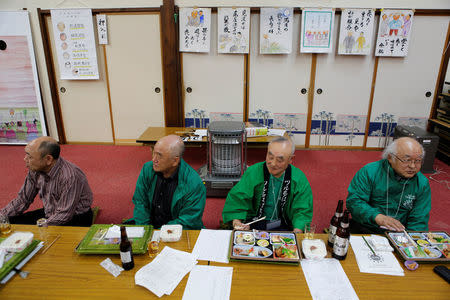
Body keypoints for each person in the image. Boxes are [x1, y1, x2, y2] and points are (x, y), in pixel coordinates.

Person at [222, 137, 313, 232]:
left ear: (291, 159)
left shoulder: (298, 178)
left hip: (284, 224)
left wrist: (296, 233)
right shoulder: (253, 172)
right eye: (270, 157)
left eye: (280, 160)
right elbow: (238, 199)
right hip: (253, 223)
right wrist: (237, 222)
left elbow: (303, 210)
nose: (273, 164)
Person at [0, 136, 93, 226]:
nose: (25, 159)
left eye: (30, 157)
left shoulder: (70, 176)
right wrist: (2, 216)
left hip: (74, 217)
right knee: (8, 222)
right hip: (51, 212)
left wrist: (40, 228)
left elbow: (64, 214)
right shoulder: (35, 169)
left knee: (39, 237)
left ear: (48, 159)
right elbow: (23, 199)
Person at [346, 137, 431, 234]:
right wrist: (377, 217)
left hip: (400, 234)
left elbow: (419, 219)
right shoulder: (370, 172)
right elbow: (354, 202)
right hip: (367, 227)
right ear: (390, 158)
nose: (412, 166)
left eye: (418, 161)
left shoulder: (422, 183)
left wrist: (411, 239)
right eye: (407, 160)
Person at [131, 135, 206, 229]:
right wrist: (146, 230)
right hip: (150, 227)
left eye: (159, 155)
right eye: (153, 153)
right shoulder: (147, 169)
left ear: (175, 160)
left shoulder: (194, 183)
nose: (154, 159)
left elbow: (187, 220)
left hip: (177, 232)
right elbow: (140, 202)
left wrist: (158, 233)